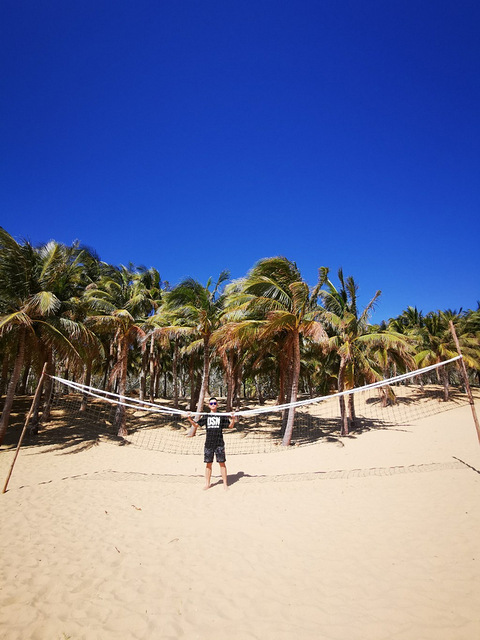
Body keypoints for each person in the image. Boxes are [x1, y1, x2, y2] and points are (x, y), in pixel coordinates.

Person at [186, 398, 236, 490]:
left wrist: (233, 419)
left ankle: (225, 484)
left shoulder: (221, 416)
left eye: (215, 403)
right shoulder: (206, 416)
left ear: (217, 405)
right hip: (209, 444)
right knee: (208, 464)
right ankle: (207, 484)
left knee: (222, 463)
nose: (213, 404)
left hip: (219, 443)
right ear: (209, 405)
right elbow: (196, 425)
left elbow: (230, 426)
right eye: (211, 403)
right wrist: (189, 418)